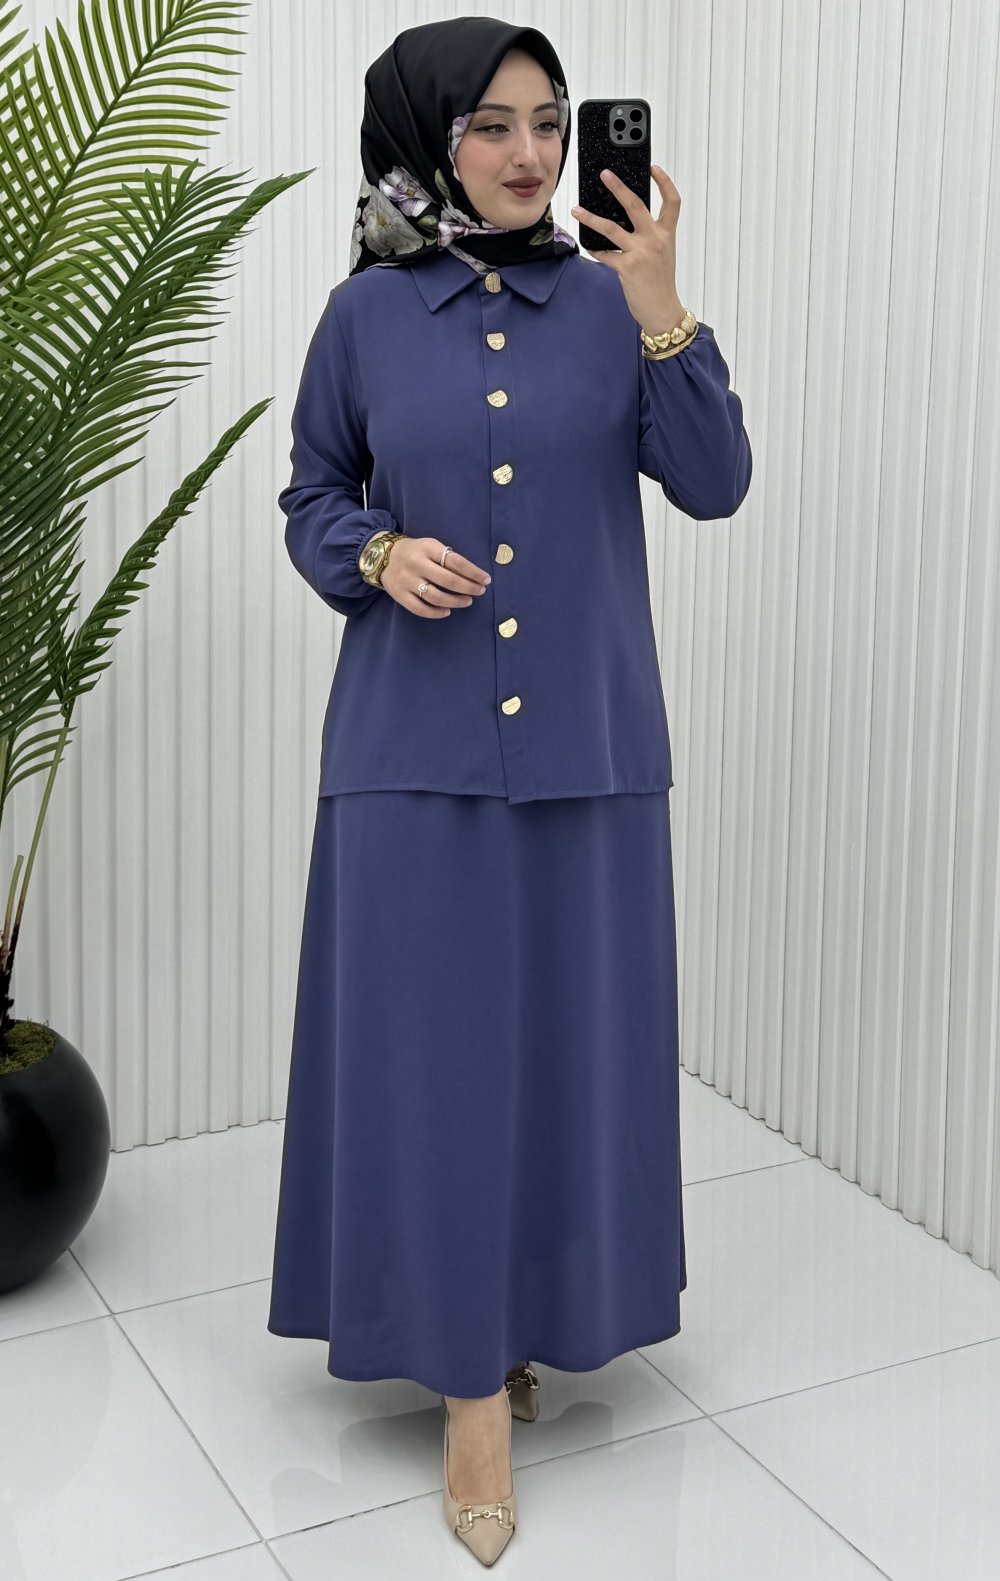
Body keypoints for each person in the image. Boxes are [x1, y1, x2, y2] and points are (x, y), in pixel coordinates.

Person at [267, 15, 751, 1567]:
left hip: (589, 752)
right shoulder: (363, 314)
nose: (531, 152)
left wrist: (664, 309)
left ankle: (531, 1316)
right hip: (409, 754)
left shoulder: (613, 303)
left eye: (549, 120)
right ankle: (470, 1389)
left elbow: (717, 482)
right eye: (490, 124)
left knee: (566, 1057)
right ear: (428, 140)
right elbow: (311, 492)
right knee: (435, 1063)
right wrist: (372, 551)